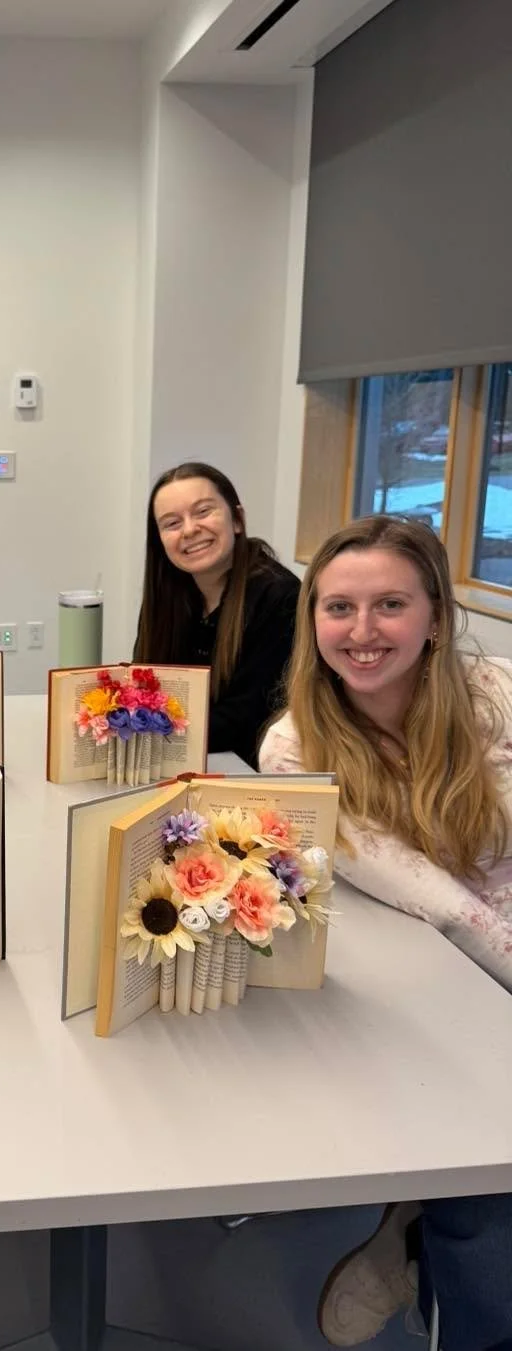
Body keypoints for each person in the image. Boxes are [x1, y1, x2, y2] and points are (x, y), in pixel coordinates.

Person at [260, 515, 512, 1351]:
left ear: (436, 616)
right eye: (340, 608)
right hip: (428, 982)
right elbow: (439, 902)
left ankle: (413, 1224)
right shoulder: (295, 750)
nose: (362, 632)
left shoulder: (498, 696)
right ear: (314, 623)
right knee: (489, 1202)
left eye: (390, 605)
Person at [134, 461, 300, 769]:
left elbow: (248, 719)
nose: (190, 529)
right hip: (177, 761)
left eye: (203, 511)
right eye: (171, 523)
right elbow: (145, 688)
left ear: (237, 519)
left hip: (248, 774)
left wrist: (142, 730)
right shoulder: (168, 595)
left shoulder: (279, 595)